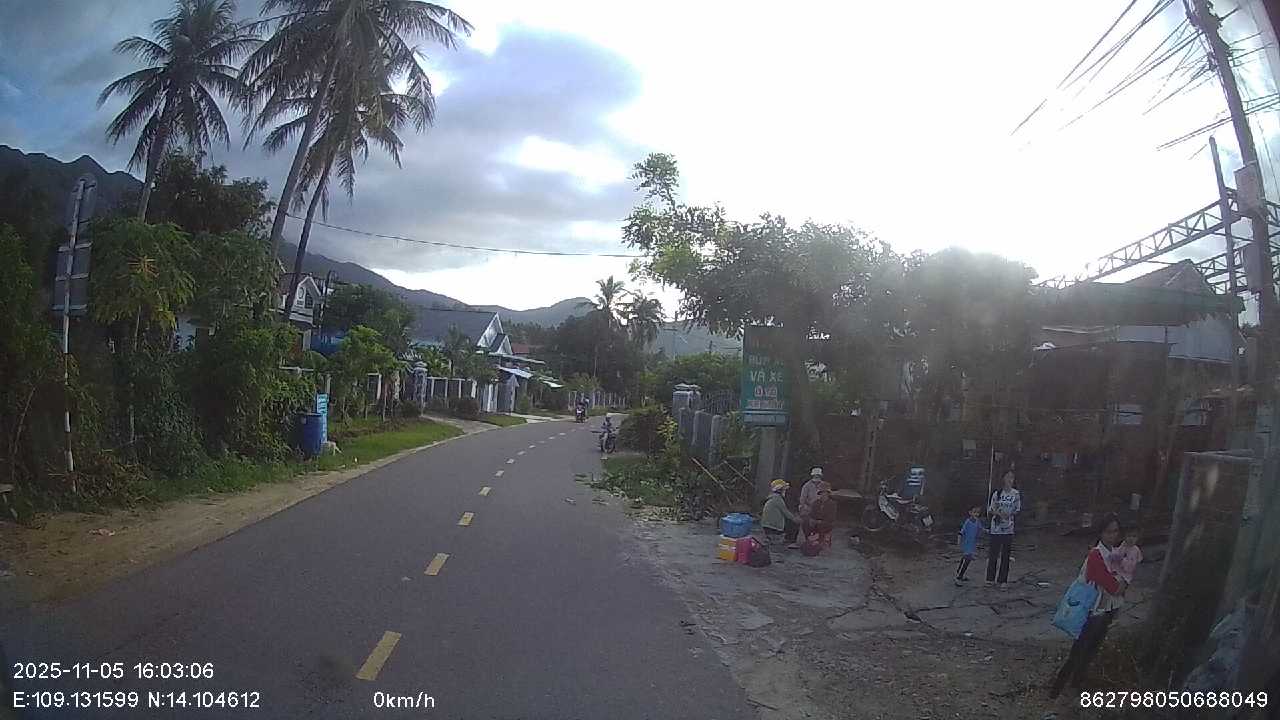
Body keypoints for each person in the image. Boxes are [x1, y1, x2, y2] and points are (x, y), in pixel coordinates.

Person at [1049, 515, 1128, 699]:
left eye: (1116, 532)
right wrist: (1122, 582)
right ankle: (1057, 689)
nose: (1112, 535)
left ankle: (1075, 686)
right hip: (1093, 610)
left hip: (1107, 609)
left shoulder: (1115, 555)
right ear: (1101, 533)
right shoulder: (1096, 555)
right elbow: (1113, 586)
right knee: (1079, 651)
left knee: (1091, 651)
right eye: (1109, 532)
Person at [986, 470, 1021, 588]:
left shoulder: (1015, 494)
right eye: (1007, 477)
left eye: (1012, 477)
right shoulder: (997, 493)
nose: (1010, 480)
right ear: (1003, 479)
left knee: (1005, 556)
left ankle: (1002, 580)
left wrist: (1009, 514)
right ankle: (990, 579)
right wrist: (999, 514)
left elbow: (1017, 509)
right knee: (993, 554)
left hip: (1008, 528)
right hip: (996, 528)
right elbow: (991, 509)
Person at [762, 479, 801, 550]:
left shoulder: (772, 497)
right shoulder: (777, 499)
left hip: (767, 525)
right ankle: (791, 541)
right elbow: (786, 513)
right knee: (793, 523)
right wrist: (797, 520)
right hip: (773, 526)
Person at [955, 505, 983, 586]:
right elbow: (961, 532)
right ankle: (958, 577)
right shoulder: (967, 522)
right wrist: (959, 541)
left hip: (972, 543)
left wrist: (990, 531)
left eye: (978, 512)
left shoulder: (977, 521)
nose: (976, 514)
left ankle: (961, 574)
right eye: (974, 512)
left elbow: (981, 529)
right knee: (966, 559)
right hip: (966, 543)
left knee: (967, 559)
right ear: (970, 513)